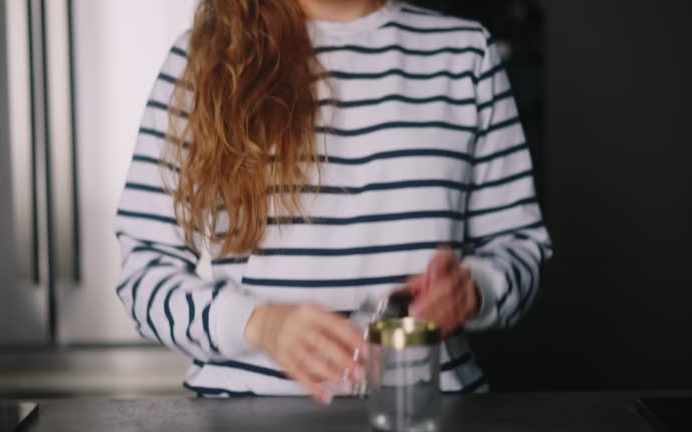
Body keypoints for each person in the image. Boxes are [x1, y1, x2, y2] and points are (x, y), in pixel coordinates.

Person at [115, 0, 551, 403]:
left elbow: (520, 249)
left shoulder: (465, 55)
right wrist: (259, 324)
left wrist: (473, 290)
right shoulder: (204, 59)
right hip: (246, 413)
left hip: (423, 410)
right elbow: (144, 276)